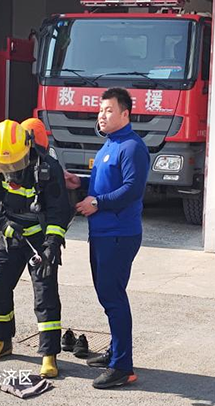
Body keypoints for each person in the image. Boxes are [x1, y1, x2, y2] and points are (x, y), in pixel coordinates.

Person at [66, 88, 150, 389]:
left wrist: (97, 203)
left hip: (118, 234)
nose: (102, 115)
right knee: (109, 295)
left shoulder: (132, 147)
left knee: (113, 298)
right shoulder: (110, 144)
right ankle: (116, 352)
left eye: (109, 110)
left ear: (125, 114)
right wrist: (81, 182)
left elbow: (132, 189)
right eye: (101, 110)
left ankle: (122, 367)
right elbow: (106, 182)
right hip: (103, 233)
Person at [0, 118, 72, 378]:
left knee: (45, 297)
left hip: (39, 241)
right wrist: (2, 225)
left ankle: (49, 355)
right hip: (10, 238)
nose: (10, 170)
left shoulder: (48, 168)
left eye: (15, 163)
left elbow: (58, 212)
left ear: (27, 148)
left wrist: (52, 244)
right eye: (4, 165)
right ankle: (3, 342)